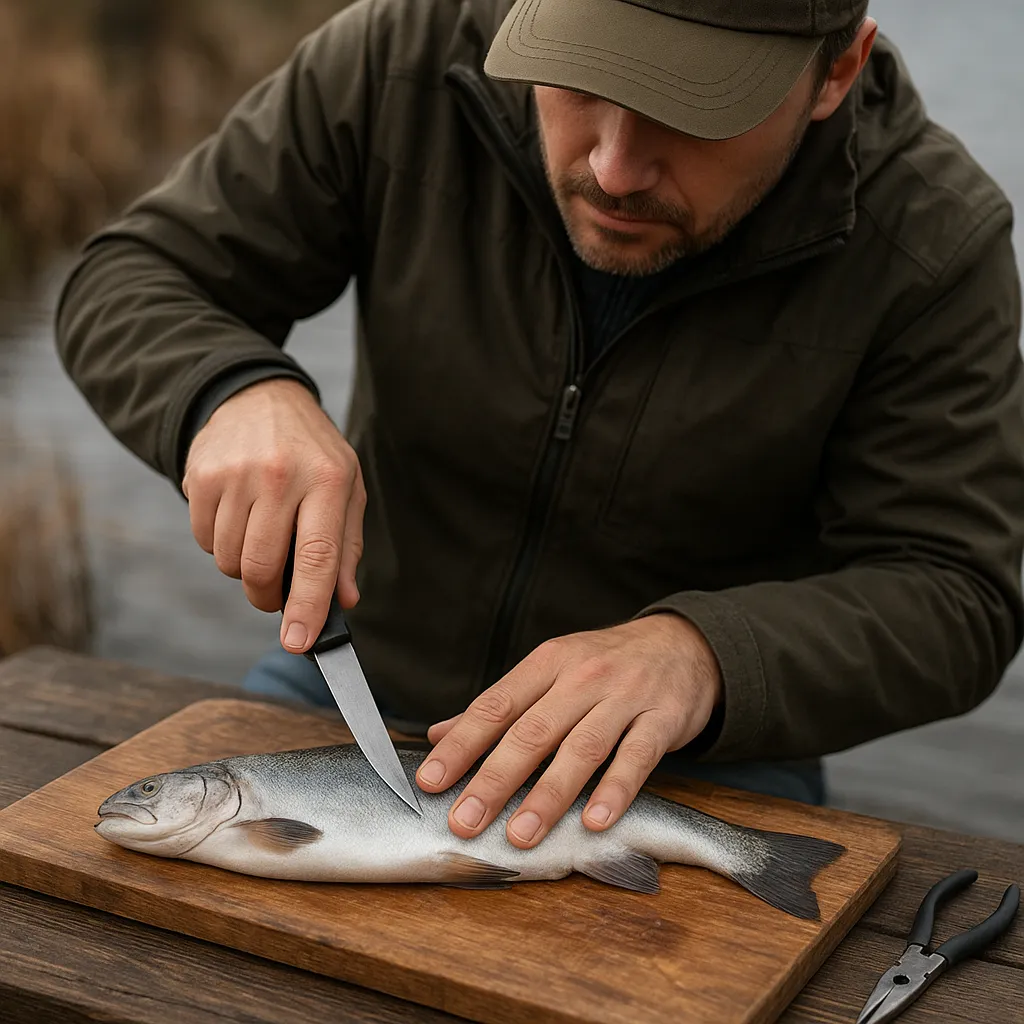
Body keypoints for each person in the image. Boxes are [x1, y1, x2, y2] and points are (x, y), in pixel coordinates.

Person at [56, 0, 1024, 851]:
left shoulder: (934, 244)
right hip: (356, 700)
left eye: (696, 109)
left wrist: (704, 654)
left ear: (835, 73)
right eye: (578, 76)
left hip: (692, 763)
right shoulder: (401, 57)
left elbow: (958, 585)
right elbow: (132, 276)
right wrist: (227, 388)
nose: (613, 166)